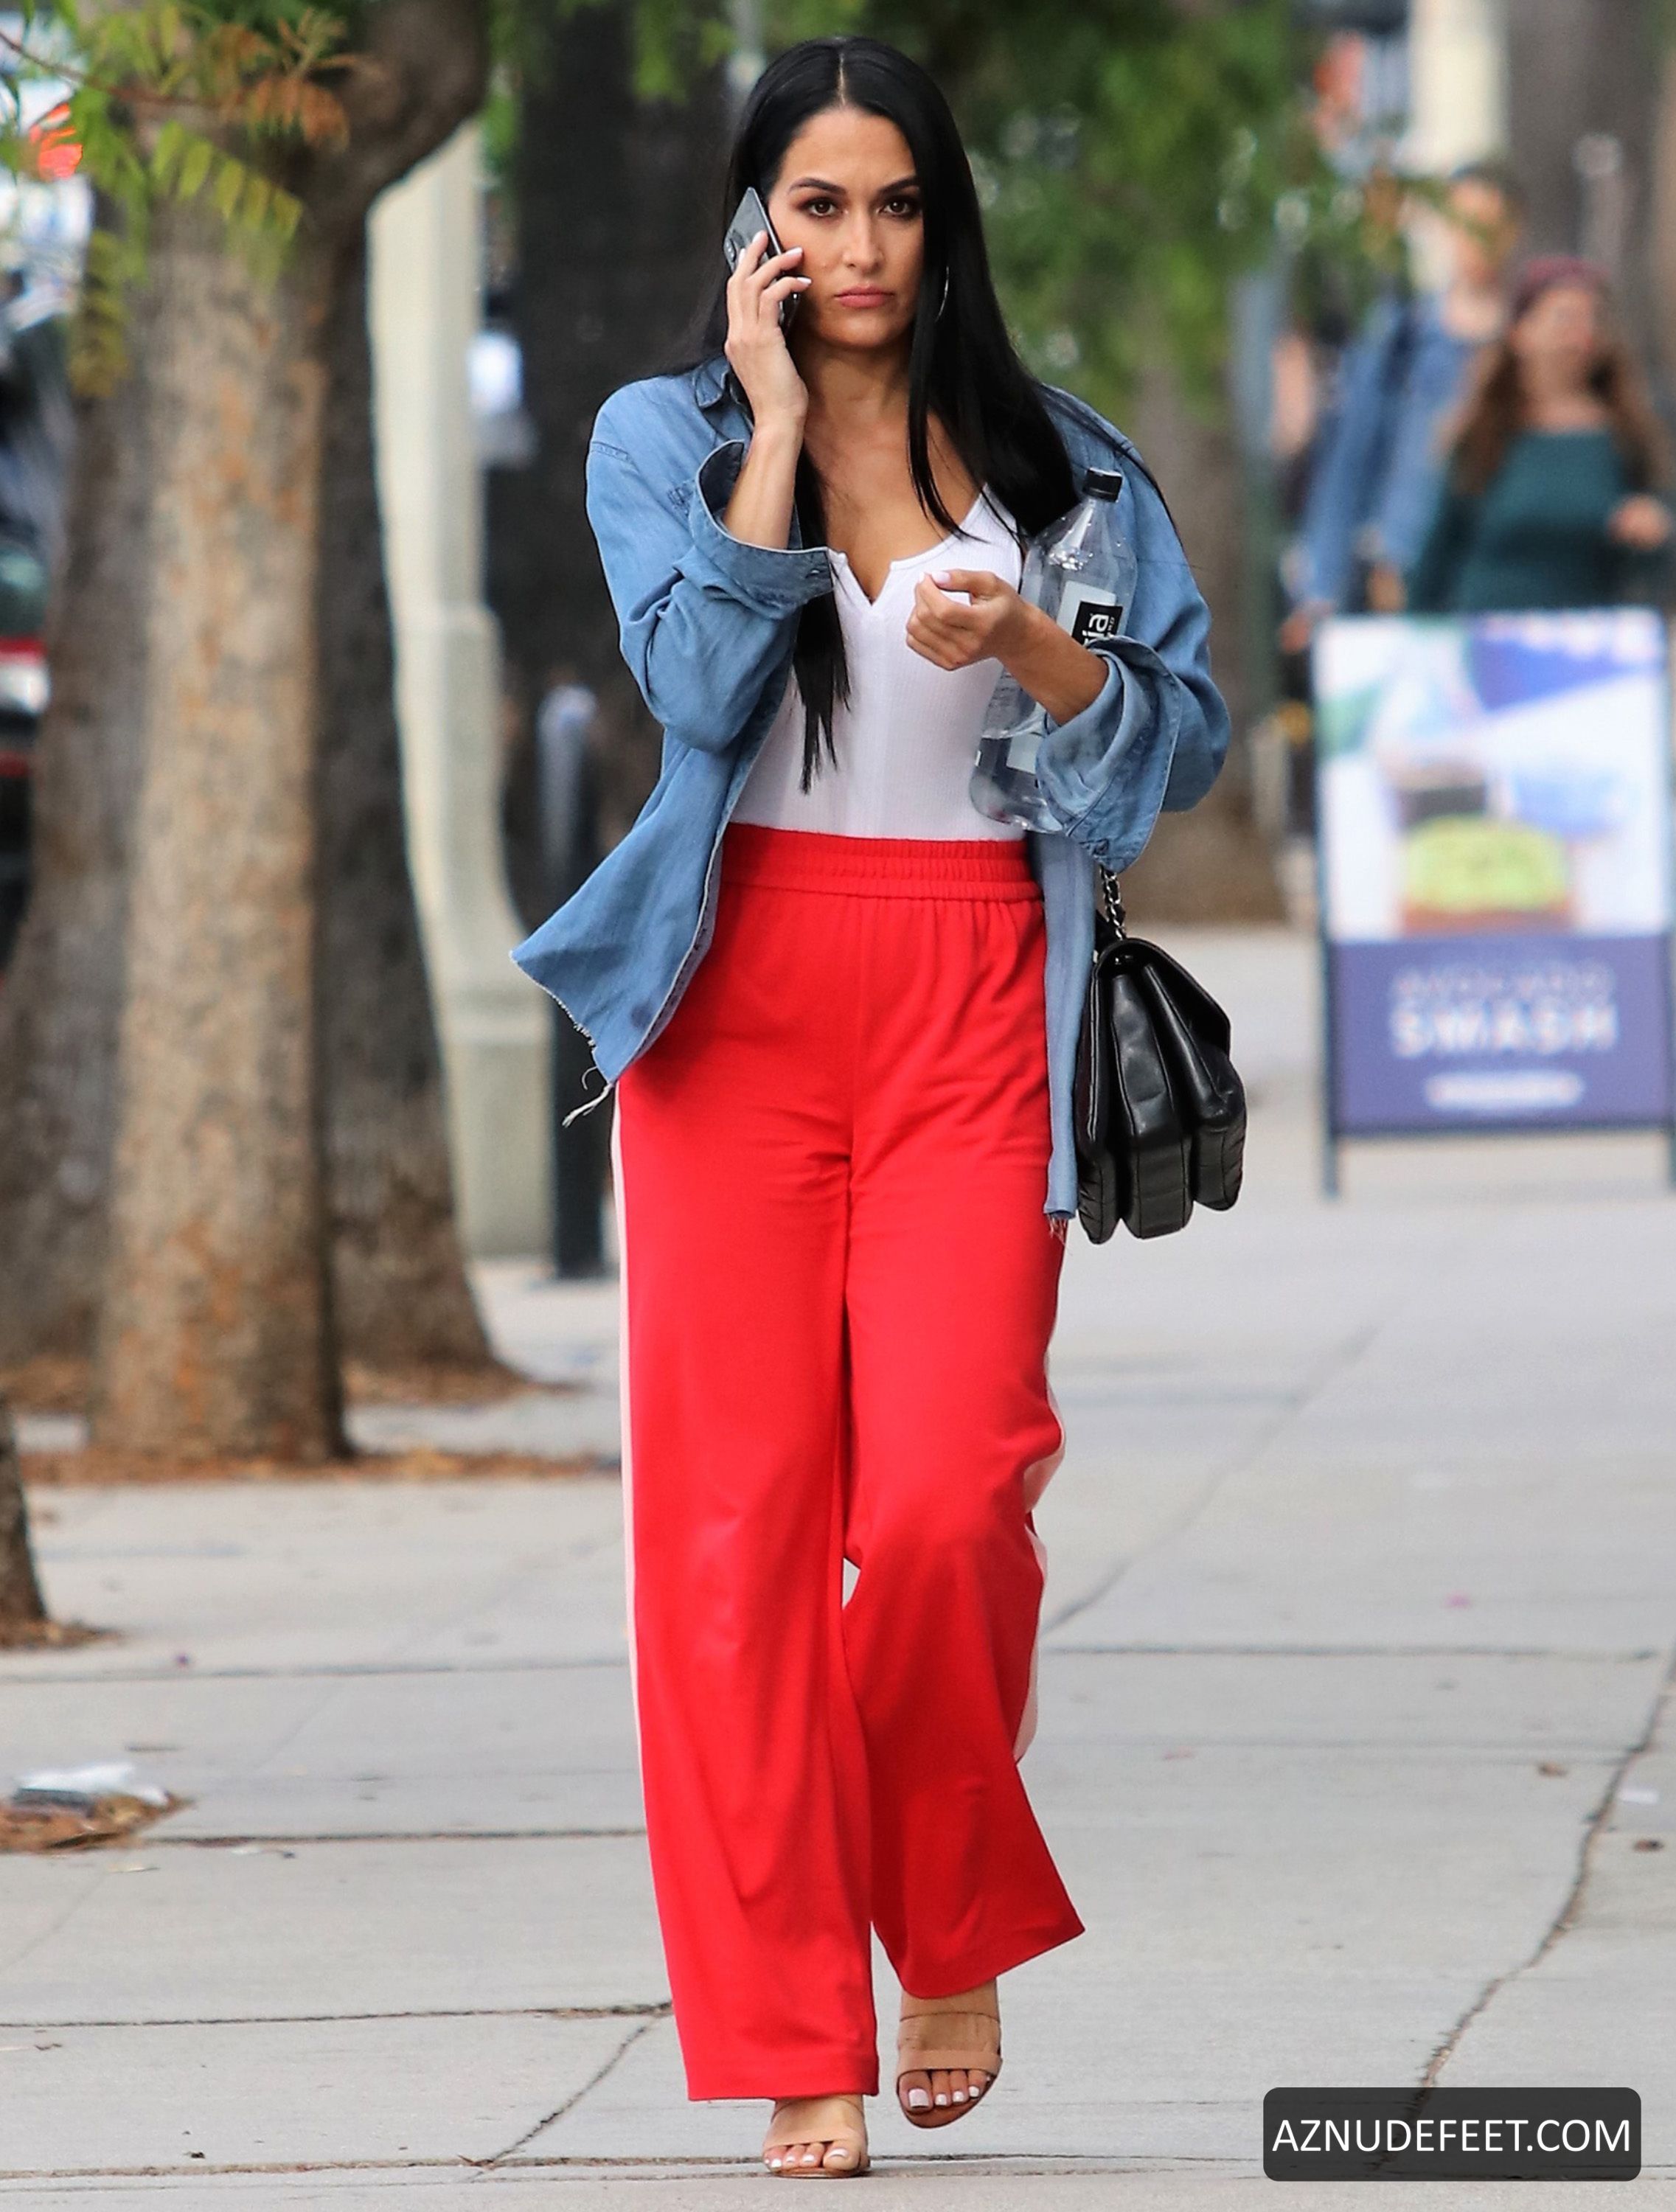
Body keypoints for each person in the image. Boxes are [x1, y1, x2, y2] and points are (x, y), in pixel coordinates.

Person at [512, 35, 1228, 2180]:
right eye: (813, 206)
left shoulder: (1055, 463)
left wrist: (1032, 649)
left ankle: (948, 1908)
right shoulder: (659, 437)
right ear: (754, 225)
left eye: (891, 204)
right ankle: (787, 2029)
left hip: (969, 996)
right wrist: (766, 447)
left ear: (943, 221)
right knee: (730, 1544)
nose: (854, 247)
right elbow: (691, 690)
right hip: (732, 1004)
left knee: (940, 1506)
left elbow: (1176, 739)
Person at [1280, 161, 1523, 650]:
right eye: (1464, 224)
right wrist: (1320, 587)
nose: (1475, 241)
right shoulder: (1403, 335)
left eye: (1488, 226)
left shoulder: (1529, 340)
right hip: (1407, 574)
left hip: (1507, 572)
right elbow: (1350, 457)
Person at [1407, 256, 1672, 614]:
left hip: (1587, 634)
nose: (1581, 336)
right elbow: (1439, 549)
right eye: (1565, 319)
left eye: (1592, 320)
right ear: (1521, 332)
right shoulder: (1486, 431)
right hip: (1490, 631)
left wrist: (1652, 532)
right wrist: (1415, 630)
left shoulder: (1627, 435)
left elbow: (1656, 560)